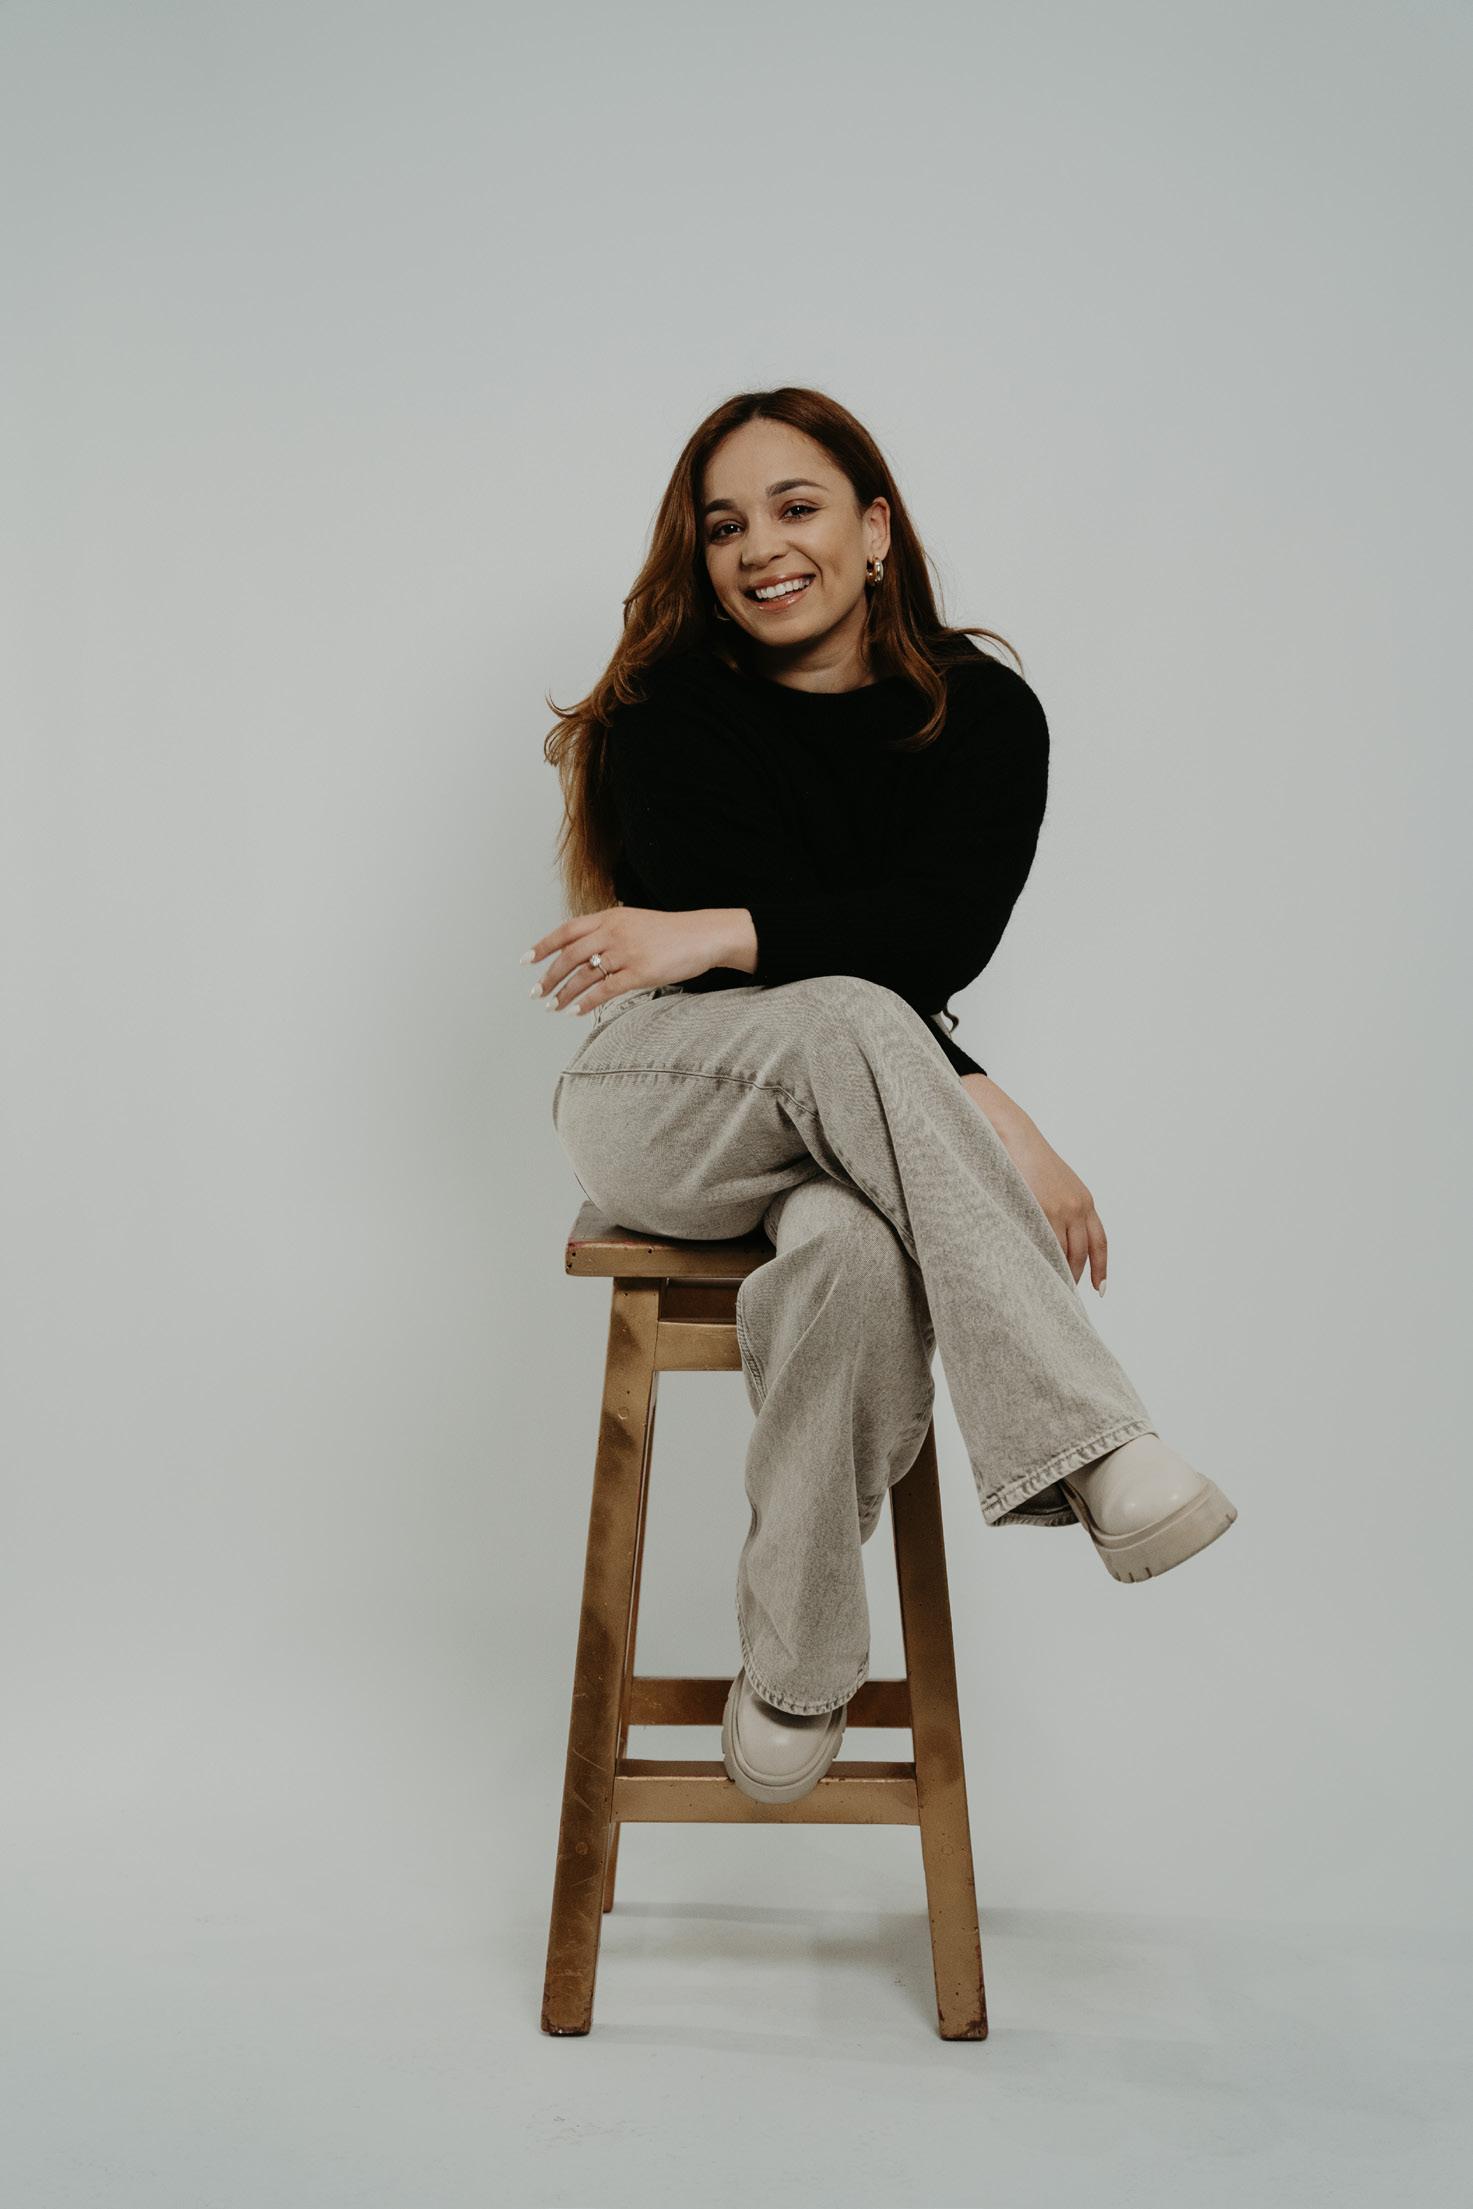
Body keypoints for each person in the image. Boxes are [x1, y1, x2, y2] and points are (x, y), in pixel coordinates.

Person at [526, 386, 1237, 1806]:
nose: (759, 547)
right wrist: (986, 1112)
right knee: (842, 1017)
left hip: (858, 1113)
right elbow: (803, 985)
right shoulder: (667, 712)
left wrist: (727, 930)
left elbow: (932, 934)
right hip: (668, 1092)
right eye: (723, 525)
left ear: (874, 527)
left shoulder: (982, 717)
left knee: (854, 1253)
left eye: (795, 507)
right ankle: (1093, 1442)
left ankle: (793, 1667)